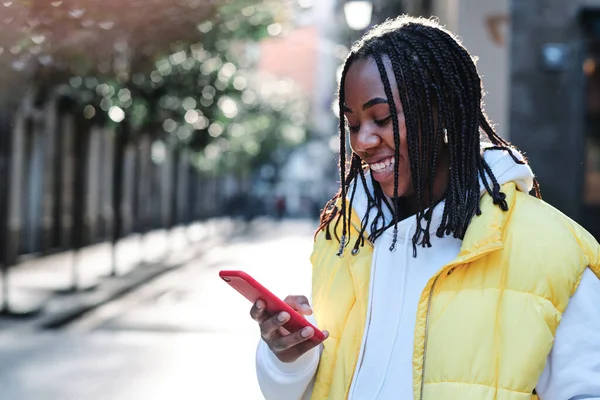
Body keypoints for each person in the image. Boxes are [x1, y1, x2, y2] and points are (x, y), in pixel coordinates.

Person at [250, 15, 600, 400]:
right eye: (352, 125)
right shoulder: (344, 236)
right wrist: (288, 358)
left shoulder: (552, 248)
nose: (362, 141)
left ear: (444, 110)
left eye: (381, 118)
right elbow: (317, 385)